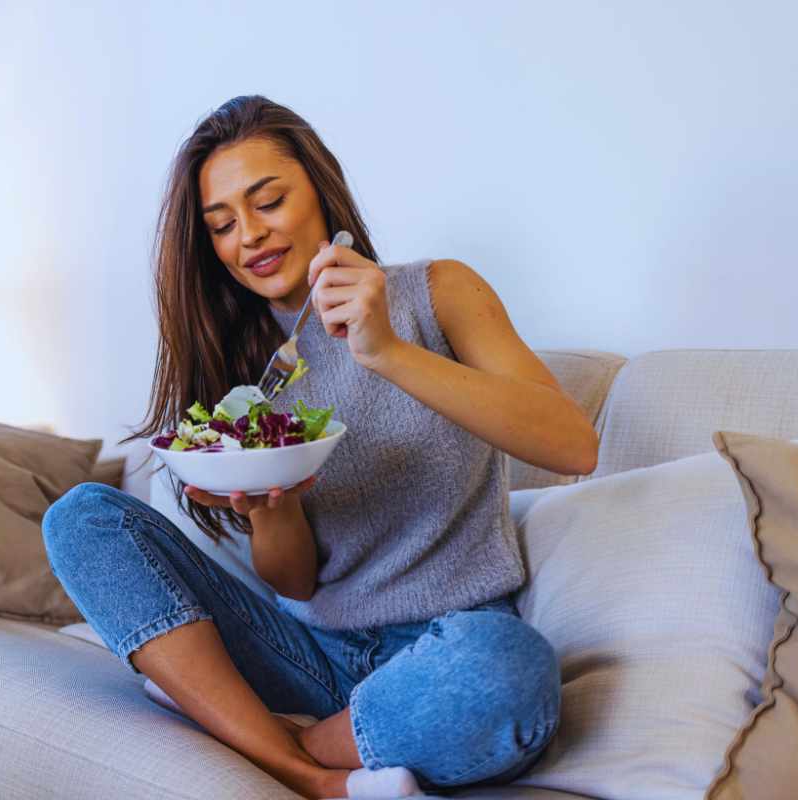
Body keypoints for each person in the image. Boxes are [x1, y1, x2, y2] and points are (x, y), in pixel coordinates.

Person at [42, 95, 598, 799]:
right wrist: (268, 509)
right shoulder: (246, 364)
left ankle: (265, 735)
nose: (248, 236)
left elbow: (573, 445)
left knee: (510, 671)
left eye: (267, 201)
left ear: (318, 189)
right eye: (221, 225)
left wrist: (386, 350)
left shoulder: (437, 293)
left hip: (445, 649)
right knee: (83, 516)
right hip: (306, 652)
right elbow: (296, 583)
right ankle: (310, 775)